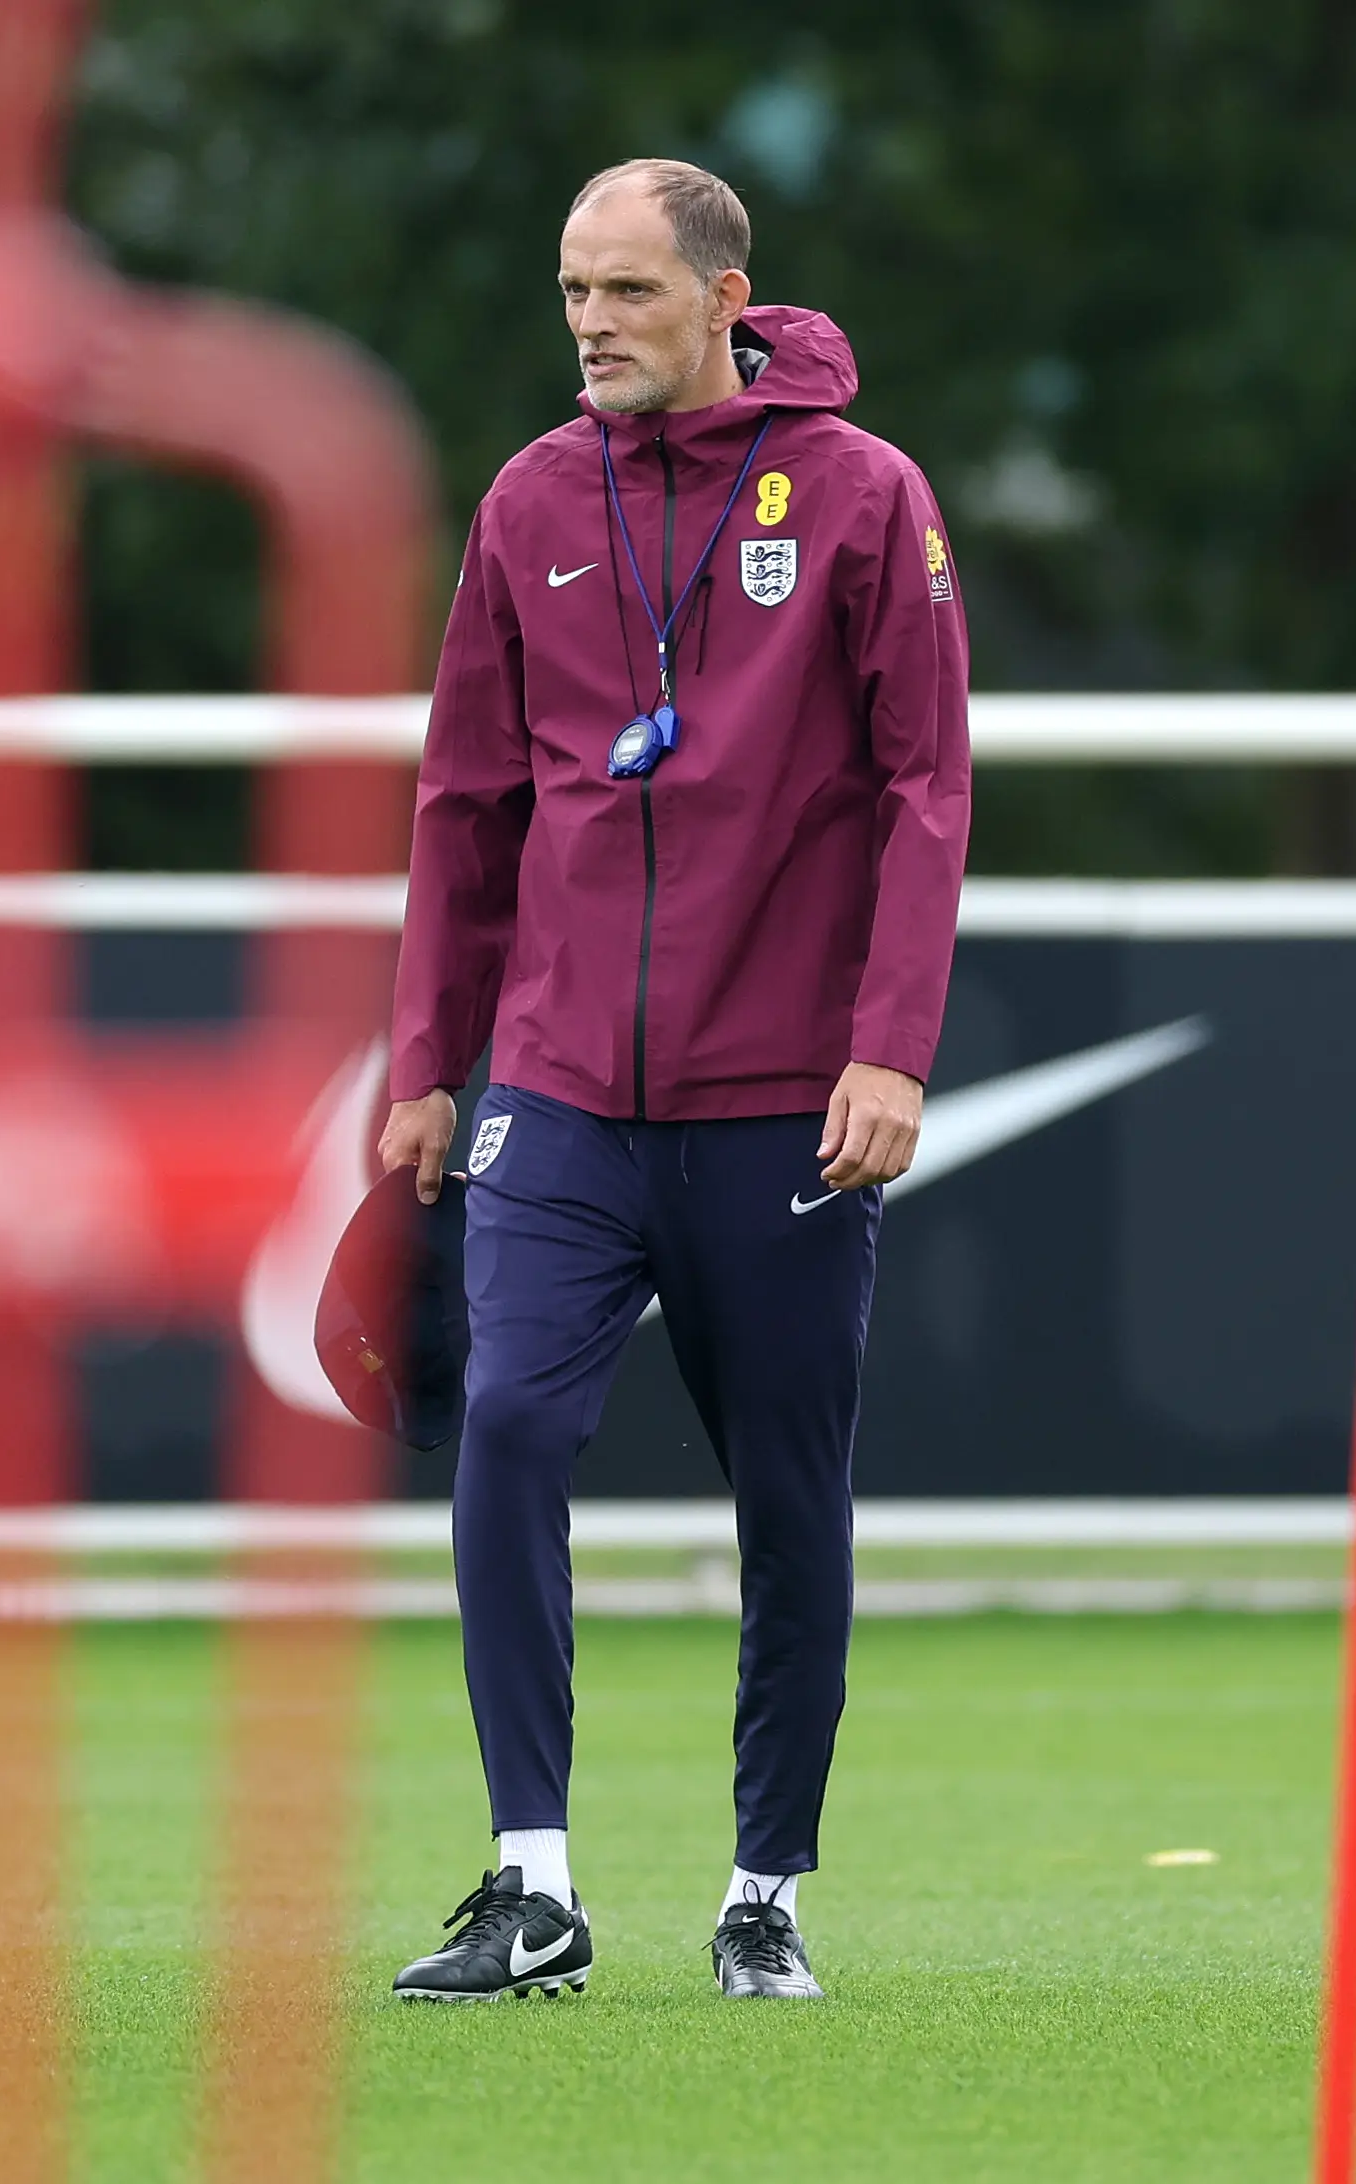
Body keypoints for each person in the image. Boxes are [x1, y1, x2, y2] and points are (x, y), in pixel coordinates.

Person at [379, 157, 971, 2002]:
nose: (588, 327)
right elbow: (466, 803)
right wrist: (427, 1063)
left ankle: (765, 1888)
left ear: (728, 298)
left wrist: (889, 1046)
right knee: (505, 1434)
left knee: (787, 1494)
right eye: (571, 292)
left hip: (781, 1098)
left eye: (624, 293)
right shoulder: (530, 498)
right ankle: (530, 1880)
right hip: (556, 1086)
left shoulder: (865, 499)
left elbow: (926, 791)